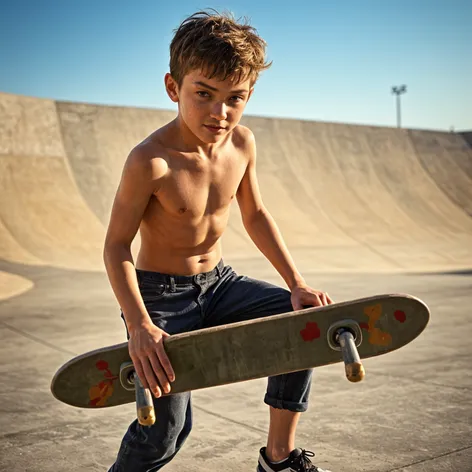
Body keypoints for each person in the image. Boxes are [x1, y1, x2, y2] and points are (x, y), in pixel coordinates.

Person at [104, 10, 333, 472]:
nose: (220, 112)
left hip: (221, 283)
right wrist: (140, 325)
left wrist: (296, 283)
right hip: (160, 298)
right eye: (203, 95)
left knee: (301, 323)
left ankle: (279, 458)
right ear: (173, 88)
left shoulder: (242, 144)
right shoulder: (150, 161)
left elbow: (256, 213)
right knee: (165, 434)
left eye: (235, 98)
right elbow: (115, 247)